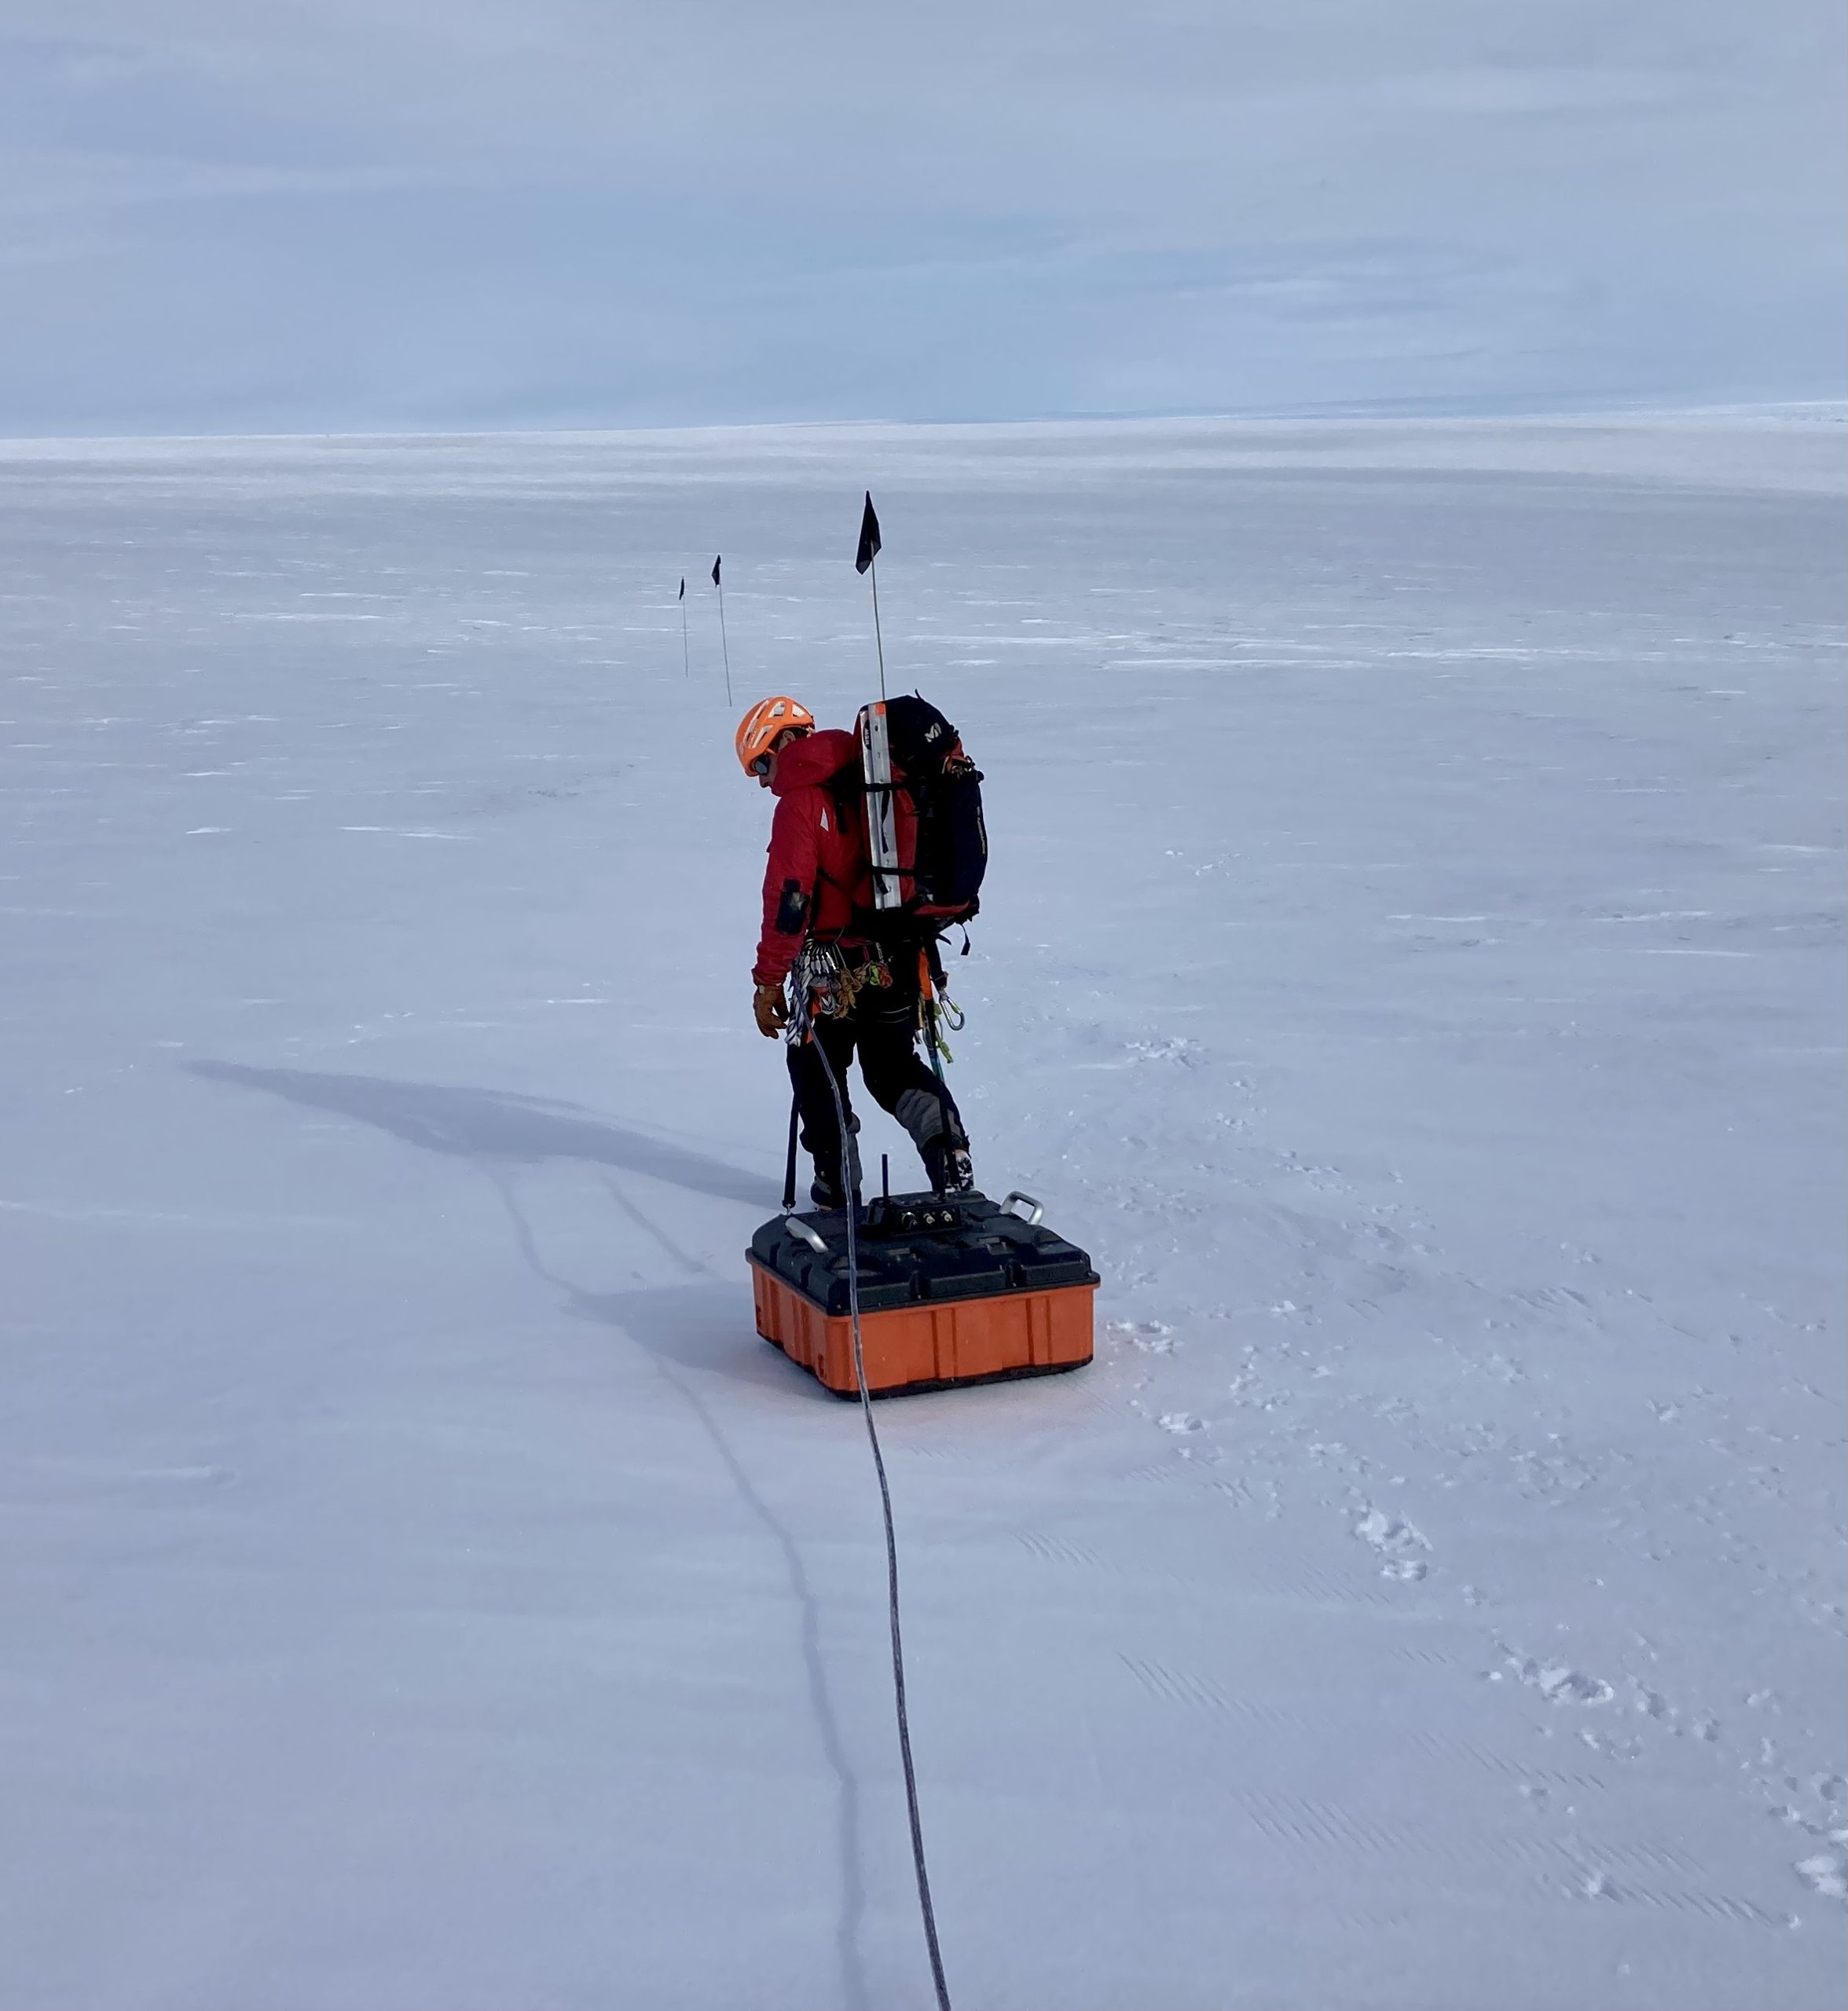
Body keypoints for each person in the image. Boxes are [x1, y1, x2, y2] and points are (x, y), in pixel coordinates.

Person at [738, 694, 974, 1208]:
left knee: (814, 1066)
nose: (760, 779)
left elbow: (789, 901)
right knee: (891, 1069)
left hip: (832, 975)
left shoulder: (800, 803)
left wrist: (768, 980)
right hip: (900, 957)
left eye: (760, 762)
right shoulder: (878, 773)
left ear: (785, 742)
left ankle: (836, 1181)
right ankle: (949, 1151)